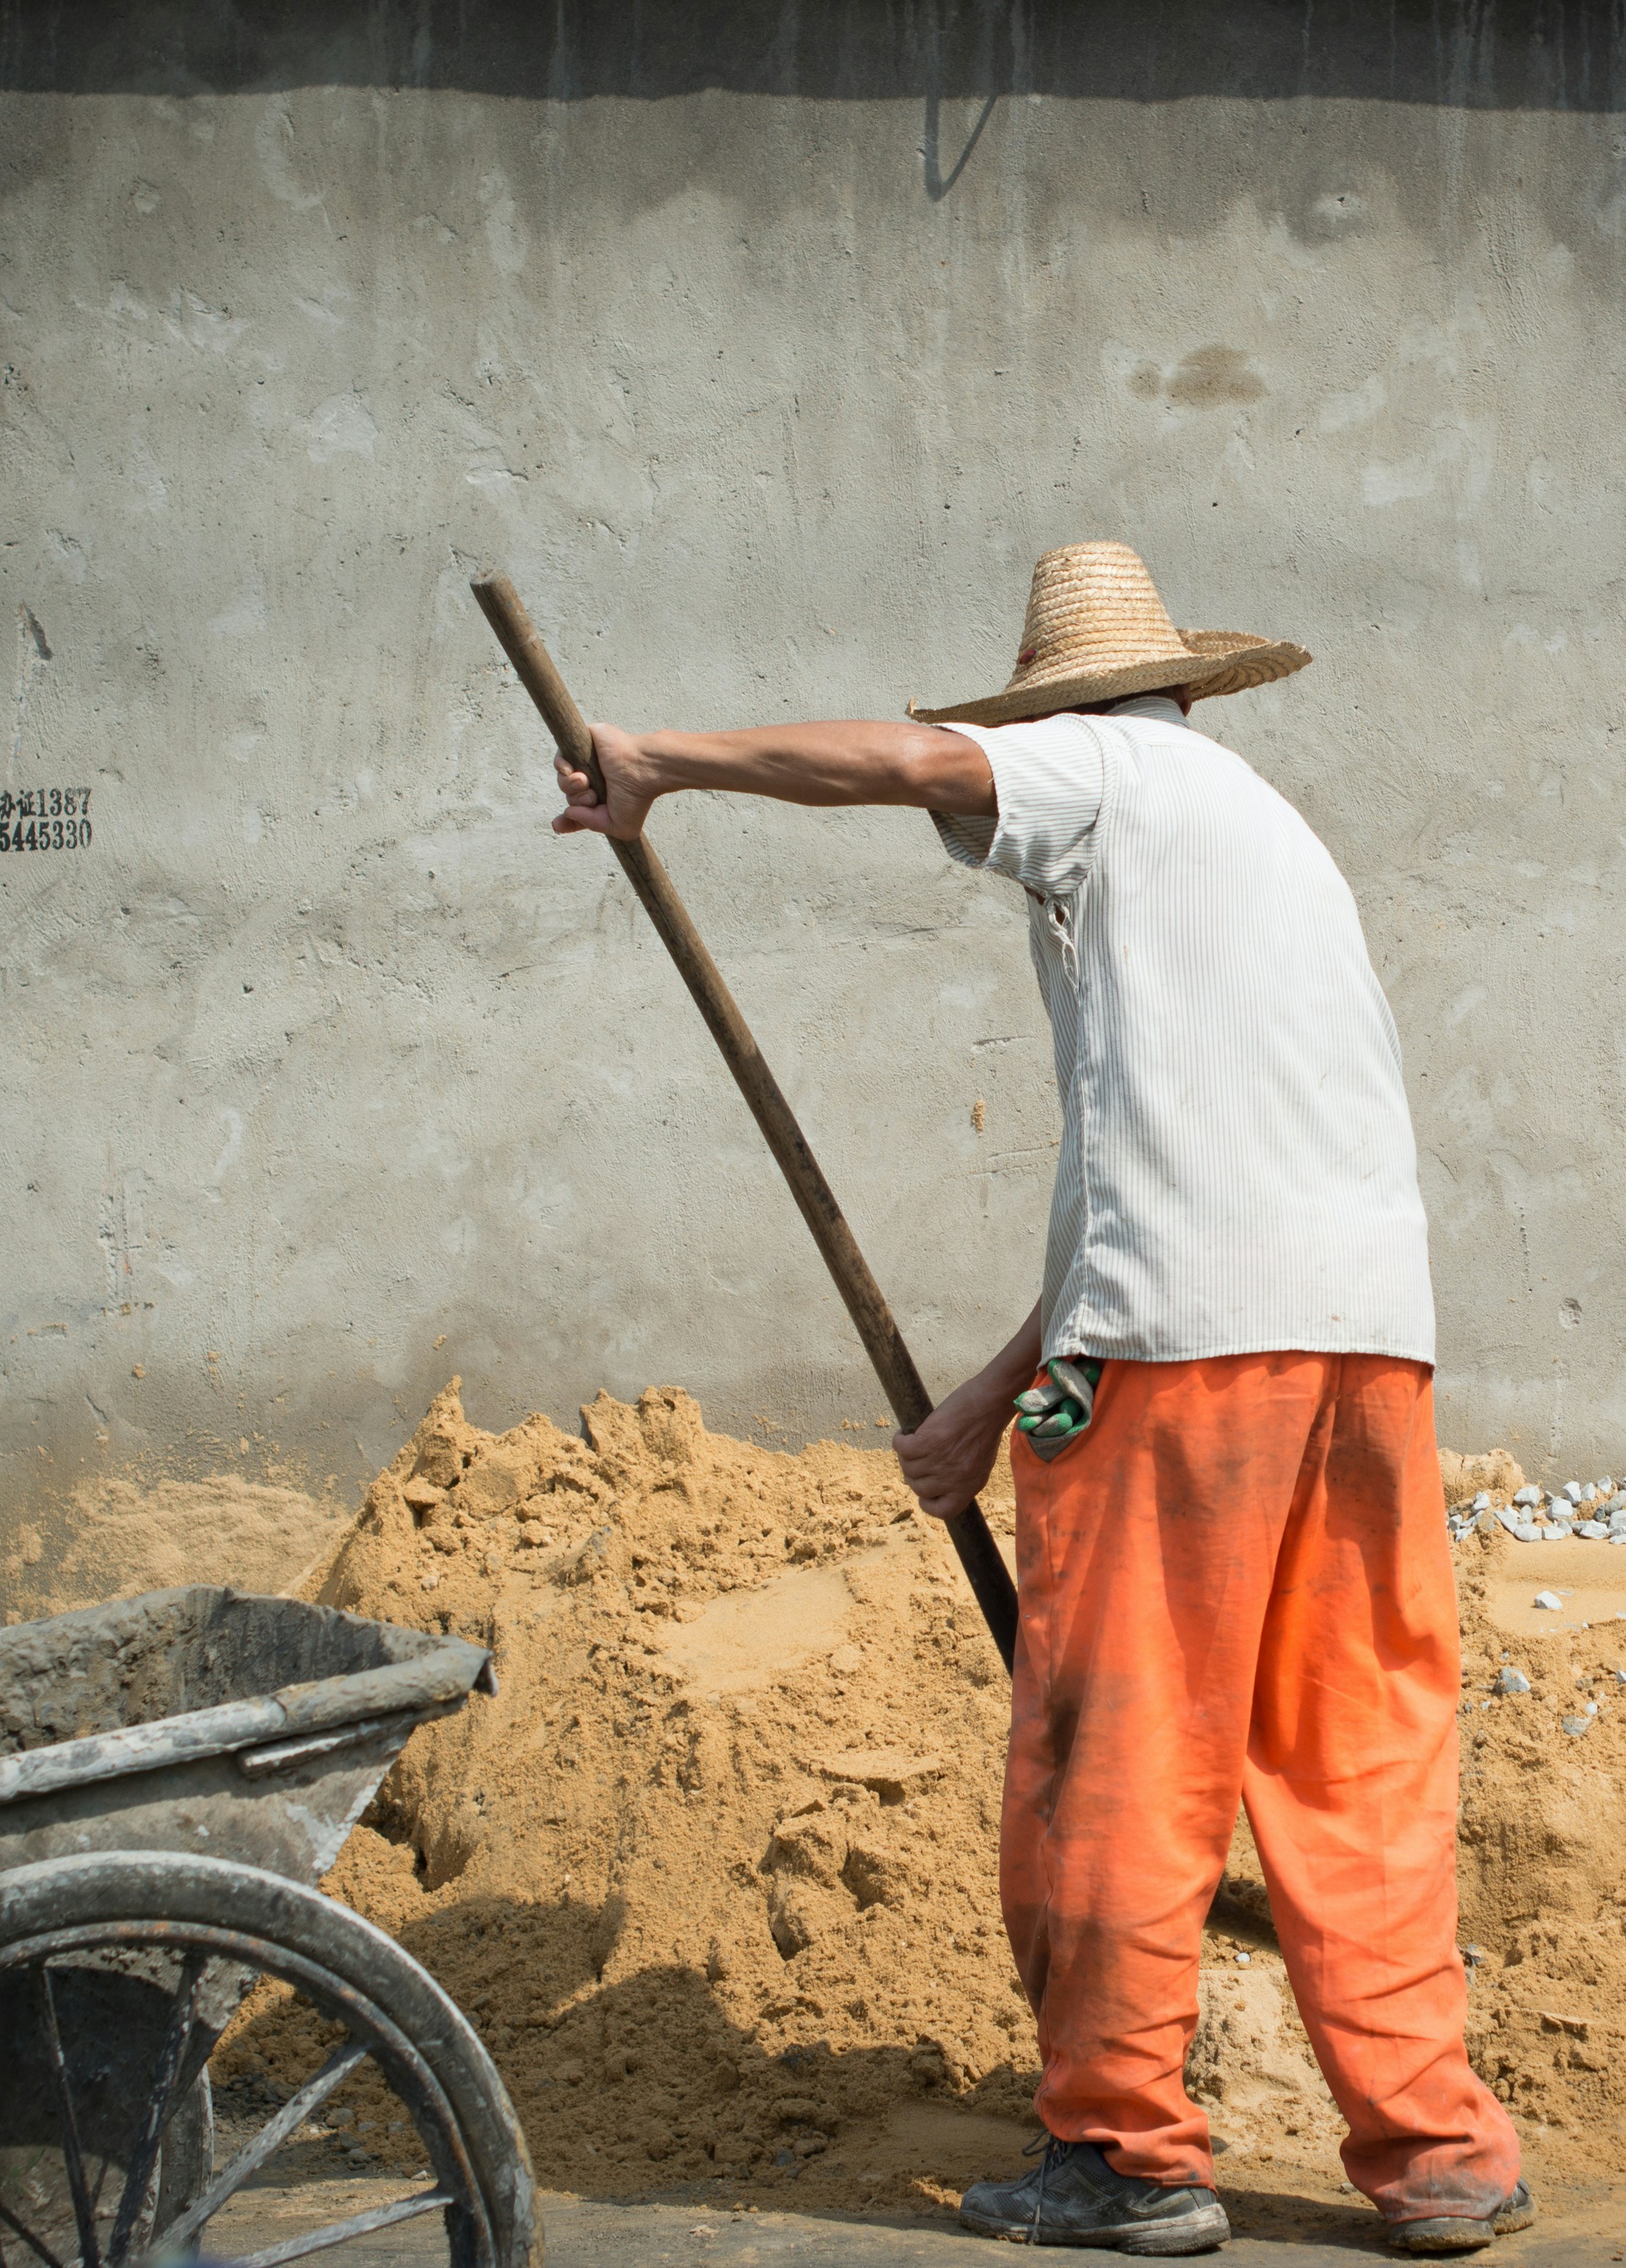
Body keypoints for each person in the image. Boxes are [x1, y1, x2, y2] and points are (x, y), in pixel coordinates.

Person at [554, 541, 1528, 2256]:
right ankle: (1439, 2148)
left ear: (1073, 706)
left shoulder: (1106, 775)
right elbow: (1143, 1193)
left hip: (1182, 1370)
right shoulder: (1259, 836)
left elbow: (916, 761)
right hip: (1365, 1344)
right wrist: (987, 1397)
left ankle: (1125, 2151)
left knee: (1119, 1753)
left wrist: (664, 762)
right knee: (1352, 1747)